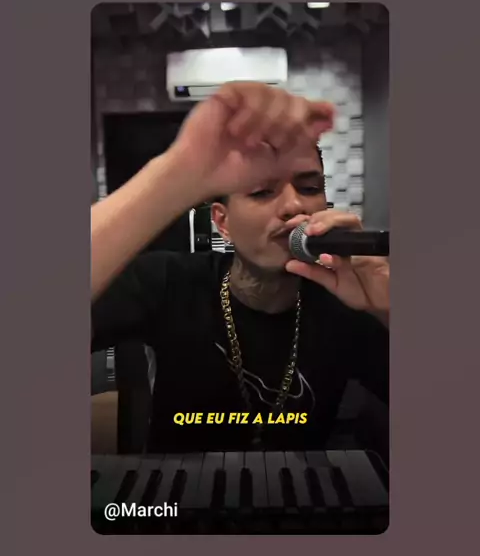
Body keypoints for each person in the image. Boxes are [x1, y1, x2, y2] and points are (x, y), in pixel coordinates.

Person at [91, 82, 389, 453]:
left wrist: (390, 308)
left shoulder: (346, 302)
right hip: (180, 489)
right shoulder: (168, 281)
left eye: (310, 188)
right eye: (262, 191)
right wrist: (173, 175)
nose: (294, 206)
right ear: (223, 222)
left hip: (297, 488)